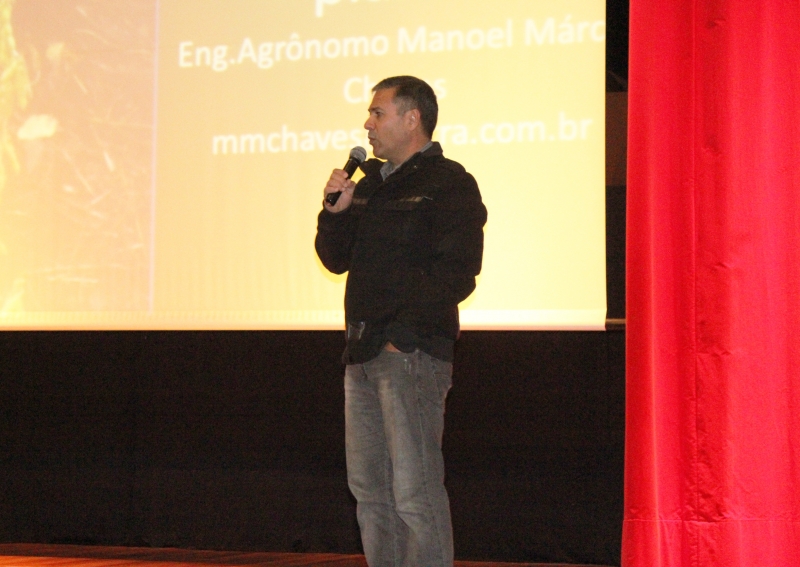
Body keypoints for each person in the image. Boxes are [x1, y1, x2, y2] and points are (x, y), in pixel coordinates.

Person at [315, 76, 487, 567]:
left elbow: (458, 273)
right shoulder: (368, 184)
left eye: (378, 113)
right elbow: (334, 259)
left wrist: (401, 336)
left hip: (410, 355)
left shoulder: (449, 183)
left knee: (415, 491)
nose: (367, 125)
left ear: (412, 119)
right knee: (370, 491)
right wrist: (335, 213)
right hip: (361, 355)